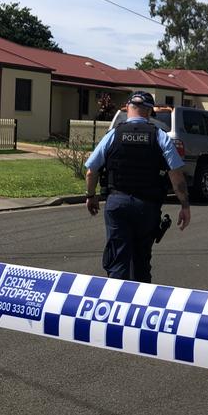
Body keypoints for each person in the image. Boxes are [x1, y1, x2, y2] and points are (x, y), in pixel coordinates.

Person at [84, 91, 190, 282]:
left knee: (117, 262)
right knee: (141, 261)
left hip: (117, 204)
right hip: (147, 206)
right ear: (149, 112)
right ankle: (139, 307)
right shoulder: (160, 137)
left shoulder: (113, 134)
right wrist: (184, 206)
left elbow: (92, 170)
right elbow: (176, 175)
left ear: (128, 108)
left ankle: (116, 306)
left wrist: (91, 196)